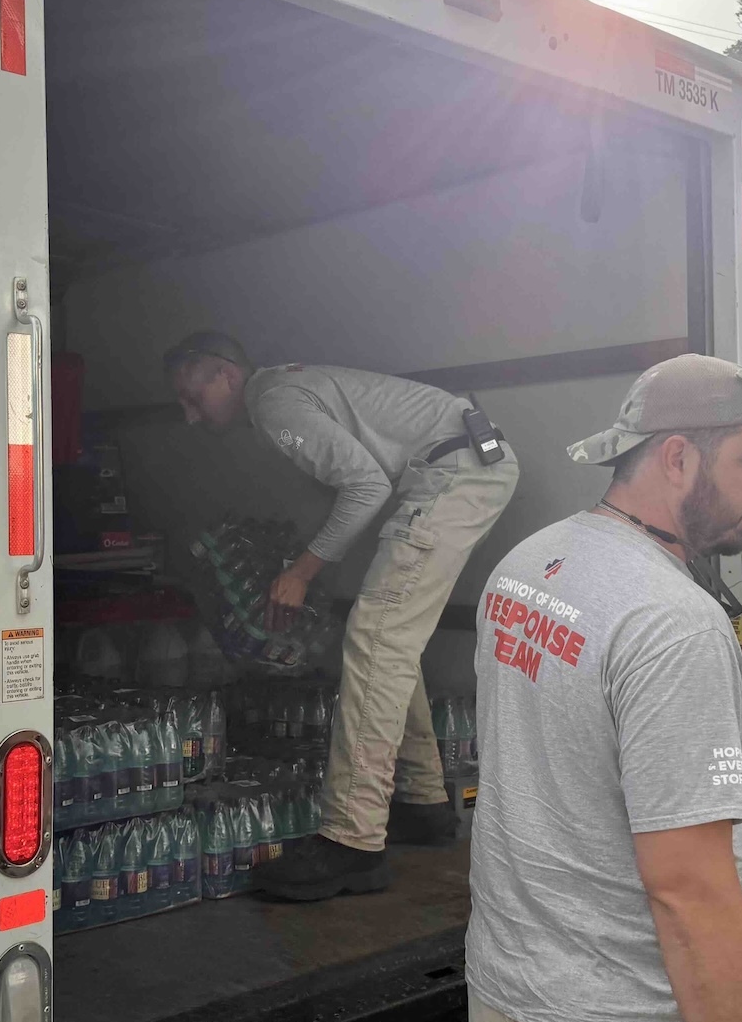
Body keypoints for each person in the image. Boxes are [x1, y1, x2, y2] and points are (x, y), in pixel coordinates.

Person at [466, 353, 742, 1022]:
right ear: (676, 456)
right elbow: (690, 891)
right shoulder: (672, 624)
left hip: (511, 995)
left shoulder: (529, 565)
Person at [164, 331, 519, 901]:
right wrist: (304, 562)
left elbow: (364, 485)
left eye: (192, 397)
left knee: (377, 637)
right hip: (462, 464)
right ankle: (423, 804)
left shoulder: (273, 401)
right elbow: (348, 487)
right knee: (388, 638)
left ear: (224, 375)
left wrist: (301, 572)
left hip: (454, 473)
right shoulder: (285, 392)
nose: (189, 417)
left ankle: (352, 843)